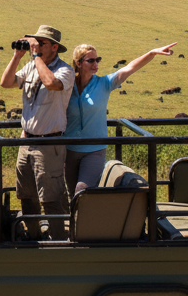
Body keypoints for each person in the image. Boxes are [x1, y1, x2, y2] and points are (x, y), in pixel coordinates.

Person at [64, 41, 177, 197]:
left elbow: (130, 67)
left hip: (95, 150)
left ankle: (88, 221)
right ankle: (79, 221)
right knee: (70, 195)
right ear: (79, 63)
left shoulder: (104, 83)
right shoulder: (67, 86)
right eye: (91, 60)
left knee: (81, 192)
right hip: (69, 149)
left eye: (98, 60)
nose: (95, 64)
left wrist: (152, 53)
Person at [0, 24, 74, 240]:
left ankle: (58, 240)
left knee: (51, 198)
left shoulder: (64, 70)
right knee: (26, 196)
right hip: (26, 142)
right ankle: (33, 238)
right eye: (35, 42)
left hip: (49, 144)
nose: (37, 46)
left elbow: (51, 83)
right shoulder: (32, 66)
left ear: (54, 47)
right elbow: (5, 82)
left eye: (41, 43)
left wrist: (35, 56)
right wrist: (17, 56)